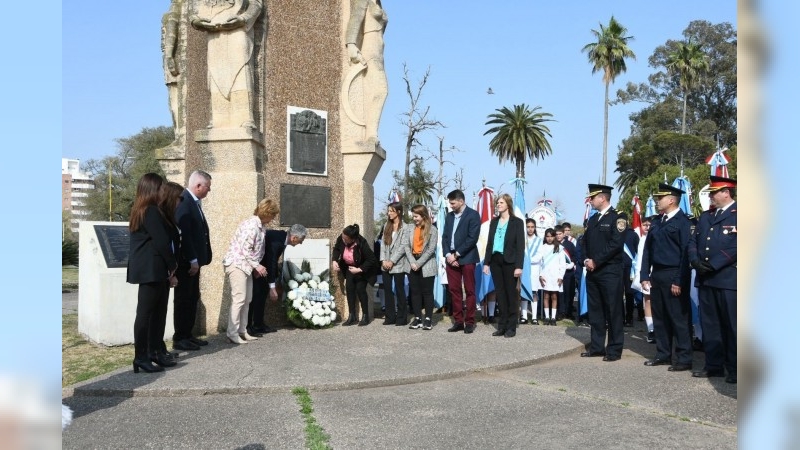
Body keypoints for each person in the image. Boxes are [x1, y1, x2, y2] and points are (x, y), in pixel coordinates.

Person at [127, 173, 179, 373]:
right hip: (152, 269)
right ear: (152, 190)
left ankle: (153, 352)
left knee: (156, 314)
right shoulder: (150, 211)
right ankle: (142, 355)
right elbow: (161, 242)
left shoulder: (143, 210)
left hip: (152, 269)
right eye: (160, 189)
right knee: (147, 315)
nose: (163, 192)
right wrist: (172, 265)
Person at [689, 176, 737, 384]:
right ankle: (714, 365)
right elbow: (693, 240)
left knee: (732, 326)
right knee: (710, 325)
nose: (711, 197)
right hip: (706, 279)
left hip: (728, 279)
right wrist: (695, 261)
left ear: (726, 192)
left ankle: (735, 368)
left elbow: (737, 245)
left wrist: (714, 264)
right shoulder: (706, 216)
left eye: (714, 193)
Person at [640, 184, 693, 372]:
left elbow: (686, 254)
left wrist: (679, 280)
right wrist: (645, 274)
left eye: (660, 198)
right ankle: (663, 354)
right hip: (658, 274)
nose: (657, 201)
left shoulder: (683, 222)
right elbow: (648, 250)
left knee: (678, 317)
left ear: (671, 199)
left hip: (674, 273)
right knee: (660, 316)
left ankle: (684, 357)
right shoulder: (657, 222)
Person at [191, 0, 264, 129]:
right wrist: (195, 21)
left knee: (241, 70)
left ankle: (244, 117)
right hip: (214, 31)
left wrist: (243, 19)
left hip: (239, 29)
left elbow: (256, 4)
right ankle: (219, 120)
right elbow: (195, 9)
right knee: (216, 70)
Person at [222, 199, 279, 344]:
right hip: (237, 264)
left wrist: (254, 266)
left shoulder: (260, 226)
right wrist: (257, 266)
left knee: (247, 300)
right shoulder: (251, 226)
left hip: (246, 266)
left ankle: (242, 330)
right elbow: (245, 249)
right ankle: (232, 332)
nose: (273, 219)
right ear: (267, 213)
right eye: (272, 215)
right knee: (239, 299)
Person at [580, 184, 625, 361]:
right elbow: (584, 243)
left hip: (610, 271)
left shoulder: (618, 217)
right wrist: (585, 260)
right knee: (596, 311)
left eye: (593, 197)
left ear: (603, 198)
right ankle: (597, 347)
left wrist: (596, 260)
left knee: (613, 311)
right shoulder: (592, 220)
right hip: (593, 272)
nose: (590, 200)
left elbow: (615, 244)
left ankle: (614, 350)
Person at [173, 170, 213, 352]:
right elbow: (184, 234)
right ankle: (180, 337)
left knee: (191, 298)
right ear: (198, 186)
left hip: (194, 263)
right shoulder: (184, 202)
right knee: (184, 299)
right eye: (208, 187)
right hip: (186, 263)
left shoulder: (194, 203)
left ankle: (188, 335)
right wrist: (193, 259)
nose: (208, 191)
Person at [248, 224, 308, 336]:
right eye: (301, 240)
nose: (301, 243)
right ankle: (249, 327)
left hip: (263, 270)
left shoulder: (282, 237)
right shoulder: (278, 242)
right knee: (255, 297)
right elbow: (271, 262)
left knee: (261, 297)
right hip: (256, 269)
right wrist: (272, 286)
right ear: (294, 237)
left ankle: (258, 324)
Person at [344, 0, 388, 142]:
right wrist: (351, 44)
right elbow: (356, 17)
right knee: (381, 90)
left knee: (377, 90)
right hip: (369, 47)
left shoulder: (378, 3)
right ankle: (371, 134)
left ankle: (371, 133)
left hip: (379, 51)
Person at [482, 194, 525, 337]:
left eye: (501, 202)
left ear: (508, 204)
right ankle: (502, 325)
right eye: (497, 203)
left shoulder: (517, 222)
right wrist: (486, 262)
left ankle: (511, 326)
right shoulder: (494, 222)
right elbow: (490, 243)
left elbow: (520, 246)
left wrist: (519, 266)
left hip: (510, 262)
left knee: (510, 294)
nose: (498, 205)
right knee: (500, 294)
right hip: (495, 260)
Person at [442, 189, 481, 334]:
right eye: (450, 203)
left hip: (467, 257)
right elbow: (445, 237)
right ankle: (458, 321)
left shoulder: (473, 215)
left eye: (453, 203)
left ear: (461, 201)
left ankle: (469, 321)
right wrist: (448, 255)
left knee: (470, 290)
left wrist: (457, 254)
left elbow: (472, 238)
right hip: (450, 258)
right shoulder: (449, 216)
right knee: (454, 290)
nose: (451, 206)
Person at [332, 224, 379, 326]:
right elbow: (336, 249)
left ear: (352, 239)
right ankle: (351, 316)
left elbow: (371, 259)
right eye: (343, 237)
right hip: (349, 268)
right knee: (350, 290)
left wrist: (359, 269)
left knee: (360, 290)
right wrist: (334, 260)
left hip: (361, 269)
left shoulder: (362, 242)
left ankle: (365, 316)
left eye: (346, 239)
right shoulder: (342, 237)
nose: (343, 240)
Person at [405, 205, 439, 330]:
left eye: (416, 216)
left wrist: (419, 263)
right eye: (413, 216)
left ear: (423, 216)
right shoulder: (409, 229)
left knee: (427, 292)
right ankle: (418, 317)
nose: (414, 219)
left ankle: (428, 318)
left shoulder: (432, 230)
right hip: (412, 262)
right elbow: (406, 246)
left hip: (427, 264)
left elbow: (431, 250)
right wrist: (413, 262)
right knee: (415, 292)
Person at [380, 202, 410, 326]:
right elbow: (382, 244)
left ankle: (402, 317)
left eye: (391, 211)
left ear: (398, 212)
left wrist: (392, 261)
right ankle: (390, 317)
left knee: (399, 289)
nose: (389, 213)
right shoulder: (387, 225)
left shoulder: (406, 227)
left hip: (398, 263)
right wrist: (383, 260)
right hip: (385, 263)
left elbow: (403, 246)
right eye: (388, 211)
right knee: (387, 291)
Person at [536, 228, 571, 326]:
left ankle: (553, 317)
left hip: (556, 276)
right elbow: (539, 262)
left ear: (554, 236)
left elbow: (562, 264)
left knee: (554, 296)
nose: (550, 238)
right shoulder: (542, 247)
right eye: (547, 236)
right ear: (545, 237)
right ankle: (547, 317)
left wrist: (560, 276)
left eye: (551, 236)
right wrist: (540, 275)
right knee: (546, 295)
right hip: (545, 275)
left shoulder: (559, 248)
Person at [161, 0, 184, 146]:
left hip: (175, 60)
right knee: (175, 102)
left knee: (175, 102)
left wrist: (169, 55)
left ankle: (180, 135)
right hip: (175, 60)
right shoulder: (172, 12)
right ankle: (179, 135)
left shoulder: (174, 11)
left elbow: (172, 28)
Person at [631, 216, 655, 343]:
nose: (646, 227)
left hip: (656, 274)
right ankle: (651, 330)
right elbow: (638, 261)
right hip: (644, 275)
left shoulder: (656, 238)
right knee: (648, 301)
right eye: (644, 225)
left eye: (649, 225)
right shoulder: (641, 240)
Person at [617, 213, 640, 327]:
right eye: (619, 221)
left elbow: (638, 252)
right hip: (617, 267)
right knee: (618, 293)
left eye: (623, 221)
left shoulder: (633, 235)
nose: (621, 223)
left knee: (629, 293)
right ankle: (620, 317)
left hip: (629, 268)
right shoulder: (615, 233)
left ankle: (629, 317)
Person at [555, 224, 579, 320]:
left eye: (560, 234)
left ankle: (569, 312)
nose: (558, 236)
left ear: (564, 234)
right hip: (557, 273)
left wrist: (572, 263)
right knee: (559, 293)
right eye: (556, 234)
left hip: (569, 273)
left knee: (569, 293)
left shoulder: (570, 244)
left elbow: (575, 256)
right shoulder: (554, 244)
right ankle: (560, 312)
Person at [521, 218, 542, 324]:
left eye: (532, 227)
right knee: (524, 293)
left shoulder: (539, 240)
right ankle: (523, 316)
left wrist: (527, 260)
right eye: (528, 227)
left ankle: (534, 317)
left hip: (534, 270)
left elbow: (539, 256)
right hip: (524, 270)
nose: (530, 229)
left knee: (534, 293)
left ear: (535, 228)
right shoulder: (522, 240)